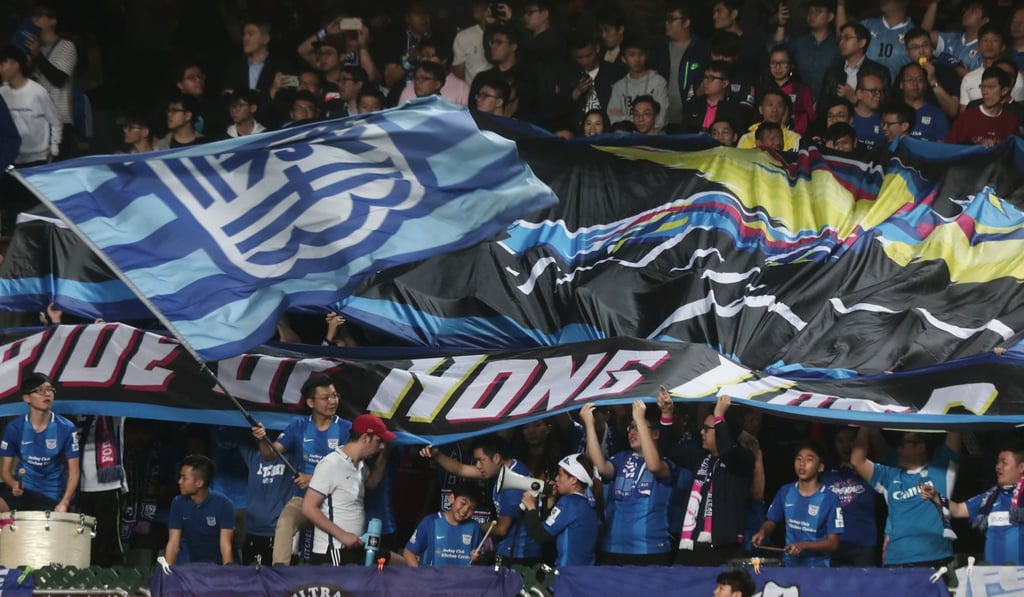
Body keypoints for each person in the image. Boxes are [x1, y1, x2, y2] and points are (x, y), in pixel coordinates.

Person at [250, 375, 352, 565]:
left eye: (335, 396)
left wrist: (313, 479)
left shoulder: (346, 429)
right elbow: (269, 455)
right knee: (285, 522)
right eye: (326, 398)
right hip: (303, 499)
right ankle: (280, 574)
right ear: (310, 402)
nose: (332, 401)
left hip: (335, 501)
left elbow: (348, 471)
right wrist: (262, 438)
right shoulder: (298, 427)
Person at [421, 435, 543, 565]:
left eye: (480, 460)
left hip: (519, 556)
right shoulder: (506, 468)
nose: (477, 466)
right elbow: (460, 469)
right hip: (510, 550)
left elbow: (502, 528)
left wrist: (468, 526)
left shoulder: (513, 486)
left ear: (496, 458)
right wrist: (436, 454)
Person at [583, 396, 675, 565]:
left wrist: (640, 418)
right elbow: (601, 467)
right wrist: (589, 425)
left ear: (655, 434)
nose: (632, 432)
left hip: (650, 549)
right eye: (630, 427)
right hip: (613, 547)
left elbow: (654, 466)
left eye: (638, 428)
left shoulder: (666, 462)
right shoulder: (621, 458)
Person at [851, 427, 961, 567]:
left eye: (903, 444)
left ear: (920, 446)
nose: (898, 449)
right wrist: (864, 423)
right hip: (896, 559)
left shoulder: (942, 469)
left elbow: (955, 426)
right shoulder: (889, 476)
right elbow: (857, 461)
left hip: (934, 557)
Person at [667, 395, 754, 566]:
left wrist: (720, 415)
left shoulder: (742, 458)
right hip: (690, 546)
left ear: (724, 431)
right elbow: (668, 449)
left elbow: (727, 453)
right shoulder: (700, 458)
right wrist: (666, 414)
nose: (701, 432)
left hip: (722, 550)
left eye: (707, 429)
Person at [302, 414, 393, 566]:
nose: (382, 445)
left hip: (355, 547)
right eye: (379, 441)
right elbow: (308, 508)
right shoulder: (331, 464)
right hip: (333, 552)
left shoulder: (360, 465)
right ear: (365, 438)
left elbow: (371, 484)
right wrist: (343, 535)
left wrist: (384, 454)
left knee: (400, 566)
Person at [920, 443, 1024, 565]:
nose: (998, 467)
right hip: (993, 576)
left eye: (1004, 462)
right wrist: (936, 496)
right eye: (998, 462)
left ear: (1021, 467)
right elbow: (958, 510)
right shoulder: (989, 497)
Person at [752, 443, 843, 567]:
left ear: (820, 467)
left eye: (809, 459)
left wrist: (804, 545)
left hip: (818, 568)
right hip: (789, 565)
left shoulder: (830, 499)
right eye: (798, 459)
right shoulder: (785, 491)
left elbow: (833, 543)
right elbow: (771, 522)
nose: (802, 463)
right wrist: (762, 531)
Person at [0, 373, 79, 512]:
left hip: (51, 496)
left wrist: (64, 502)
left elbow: (74, 472)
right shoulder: (15, 427)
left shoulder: (67, 427)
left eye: (49, 390)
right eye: (40, 391)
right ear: (27, 398)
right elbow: (5, 471)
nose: (46, 394)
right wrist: (14, 484)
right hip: (23, 491)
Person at [522, 453, 601, 567]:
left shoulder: (570, 502)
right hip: (585, 575)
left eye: (560, 474)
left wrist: (530, 507)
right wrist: (551, 502)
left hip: (567, 575)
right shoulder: (589, 504)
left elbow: (541, 535)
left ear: (573, 479)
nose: (556, 479)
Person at [821, 426, 879, 567]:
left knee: (865, 589)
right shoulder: (824, 472)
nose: (845, 445)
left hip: (863, 545)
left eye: (850, 440)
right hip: (831, 544)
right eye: (840, 441)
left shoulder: (870, 470)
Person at [164, 454, 235, 565]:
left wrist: (227, 574)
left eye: (184, 478)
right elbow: (173, 545)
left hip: (219, 567)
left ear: (199, 483)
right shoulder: (178, 503)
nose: (179, 481)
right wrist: (166, 574)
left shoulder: (224, 505)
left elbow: (226, 547)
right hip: (194, 567)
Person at [651, 3, 711, 132]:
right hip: (661, 118)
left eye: (672, 19)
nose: (667, 23)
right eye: (666, 19)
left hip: (692, 119)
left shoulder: (701, 49)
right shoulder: (659, 48)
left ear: (686, 23)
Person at [0, 45, 62, 166]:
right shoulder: (2, 93)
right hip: (11, 158)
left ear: (16, 65)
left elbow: (55, 121)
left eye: (2, 64)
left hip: (38, 158)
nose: (0, 69)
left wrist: (54, 149)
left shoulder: (38, 92)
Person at [771, 0, 839, 101]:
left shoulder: (837, 46)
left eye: (818, 11)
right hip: (798, 106)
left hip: (828, 108)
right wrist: (781, 26)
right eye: (810, 11)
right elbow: (776, 51)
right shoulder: (798, 42)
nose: (812, 15)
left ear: (830, 17)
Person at [403, 482, 484, 567]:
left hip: (462, 580)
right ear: (451, 498)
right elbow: (409, 552)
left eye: (471, 508)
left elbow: (480, 558)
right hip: (432, 579)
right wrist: (419, 576)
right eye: (463, 503)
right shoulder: (430, 522)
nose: (465, 510)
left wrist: (477, 558)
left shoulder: (475, 527)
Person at [607, 37, 670, 133]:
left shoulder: (659, 82)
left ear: (647, 56)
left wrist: (623, 117)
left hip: (655, 142)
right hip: (627, 142)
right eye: (631, 55)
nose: (637, 59)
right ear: (623, 59)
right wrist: (647, 120)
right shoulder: (619, 86)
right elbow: (612, 119)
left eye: (641, 54)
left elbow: (661, 120)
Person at [947, 67, 1021, 146]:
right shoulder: (966, 118)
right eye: (983, 87)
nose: (985, 92)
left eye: (991, 87)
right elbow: (949, 148)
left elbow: (1015, 151)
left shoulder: (1010, 120)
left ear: (1004, 91)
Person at [763, 46, 816, 135]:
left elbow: (813, 119)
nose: (777, 67)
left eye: (783, 62)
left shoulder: (802, 90)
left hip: (797, 139)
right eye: (773, 63)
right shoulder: (763, 90)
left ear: (791, 65)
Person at [737, 89, 801, 150]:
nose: (774, 110)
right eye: (770, 105)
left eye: (779, 106)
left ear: (784, 111)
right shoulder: (747, 138)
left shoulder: (794, 138)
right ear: (761, 109)